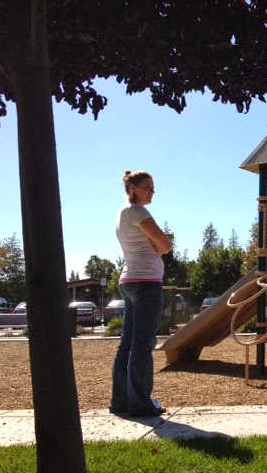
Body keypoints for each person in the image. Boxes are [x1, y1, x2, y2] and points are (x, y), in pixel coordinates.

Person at [109, 170, 171, 417]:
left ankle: (121, 402)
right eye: (147, 187)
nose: (152, 192)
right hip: (146, 283)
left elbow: (160, 246)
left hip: (130, 281)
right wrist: (157, 245)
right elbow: (165, 245)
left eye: (153, 188)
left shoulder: (123, 211)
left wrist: (156, 244)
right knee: (143, 344)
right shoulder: (137, 211)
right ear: (133, 188)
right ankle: (140, 403)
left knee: (128, 344)